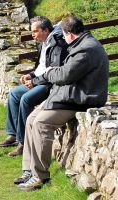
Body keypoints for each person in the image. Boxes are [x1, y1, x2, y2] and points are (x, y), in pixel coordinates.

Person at [14, 15, 109, 191]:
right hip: (68, 96)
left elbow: (65, 75)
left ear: (69, 34)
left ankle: (39, 176)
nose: (63, 39)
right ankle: (28, 169)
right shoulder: (81, 44)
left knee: (41, 123)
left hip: (80, 99)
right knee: (30, 120)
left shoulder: (86, 49)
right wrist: (47, 75)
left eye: (63, 35)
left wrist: (48, 74)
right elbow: (64, 73)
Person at [0, 16, 68, 157]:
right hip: (40, 80)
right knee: (14, 94)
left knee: (25, 99)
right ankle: (13, 135)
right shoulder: (44, 42)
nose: (32, 35)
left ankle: (23, 143)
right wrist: (31, 75)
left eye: (35, 31)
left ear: (46, 30)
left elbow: (53, 72)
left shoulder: (57, 43)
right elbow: (41, 67)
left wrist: (35, 82)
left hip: (51, 85)